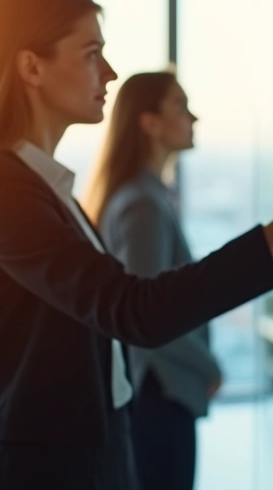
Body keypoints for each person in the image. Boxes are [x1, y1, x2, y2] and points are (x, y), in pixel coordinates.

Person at [0, 0, 273, 490]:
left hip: (93, 459)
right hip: (46, 474)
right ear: (31, 67)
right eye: (92, 53)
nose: (110, 73)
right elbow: (135, 309)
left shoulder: (45, 189)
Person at [81, 71, 215, 490]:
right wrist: (208, 368)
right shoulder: (143, 204)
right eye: (180, 106)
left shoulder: (142, 195)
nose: (193, 117)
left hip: (153, 392)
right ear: (149, 122)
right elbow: (150, 313)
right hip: (159, 393)